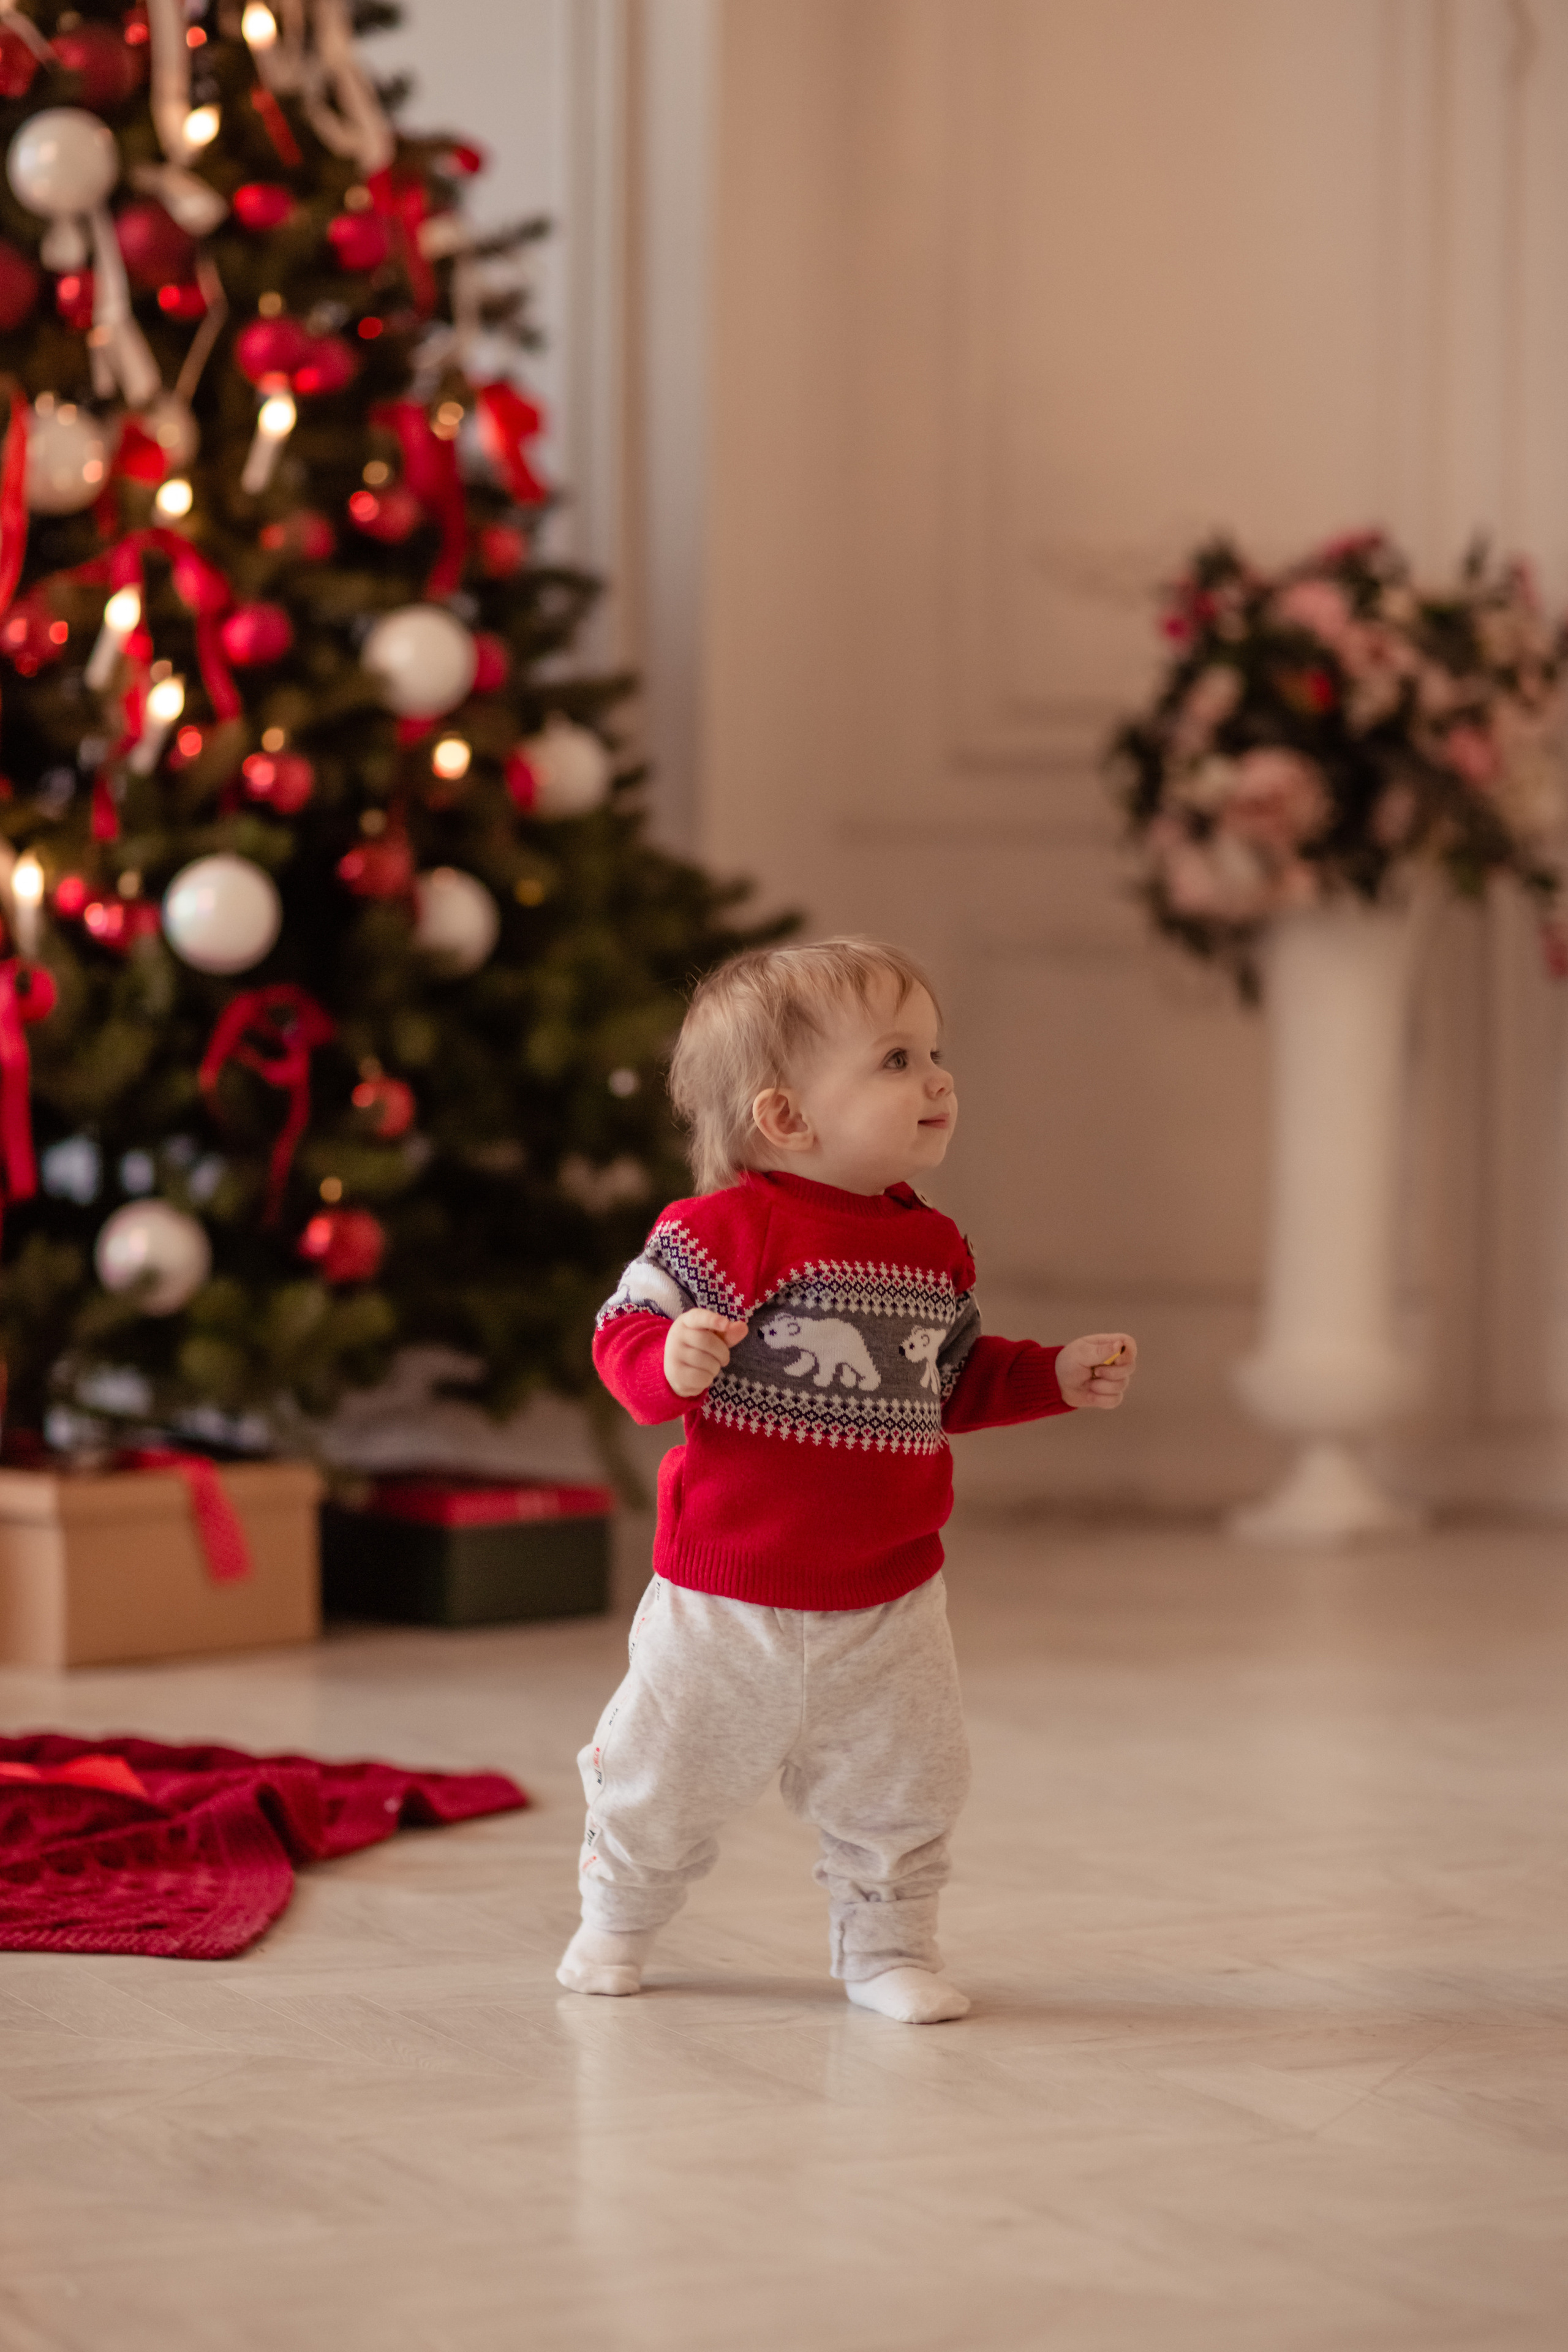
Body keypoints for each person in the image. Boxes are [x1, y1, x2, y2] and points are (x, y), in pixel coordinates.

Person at [557, 939, 1136, 2022]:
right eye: (897, 1059)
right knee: (665, 1775)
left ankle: (889, 1948)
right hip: (727, 1601)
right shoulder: (721, 1234)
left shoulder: (932, 1247)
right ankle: (617, 1915)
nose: (938, 1079)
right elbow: (621, 1332)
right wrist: (668, 1354)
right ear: (786, 1117)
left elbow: (950, 1379)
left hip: (890, 1599)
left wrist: (1050, 1374)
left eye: (936, 1053)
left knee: (908, 1785)